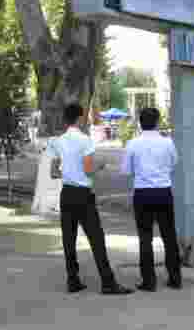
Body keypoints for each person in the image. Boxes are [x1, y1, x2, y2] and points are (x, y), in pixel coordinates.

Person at [48, 103, 133, 296]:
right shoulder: (85, 140)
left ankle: (72, 280)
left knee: (68, 238)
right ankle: (108, 282)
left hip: (66, 193)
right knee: (96, 238)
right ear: (79, 119)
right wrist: (100, 166)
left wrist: (69, 172)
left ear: (66, 119)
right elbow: (88, 170)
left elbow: (53, 172)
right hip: (83, 195)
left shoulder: (57, 141)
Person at [121, 107, 181, 291]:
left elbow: (126, 170)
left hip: (142, 193)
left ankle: (149, 281)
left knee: (145, 238)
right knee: (169, 235)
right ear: (158, 122)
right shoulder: (167, 143)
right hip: (163, 192)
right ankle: (175, 278)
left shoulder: (133, 144)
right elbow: (174, 163)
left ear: (140, 122)